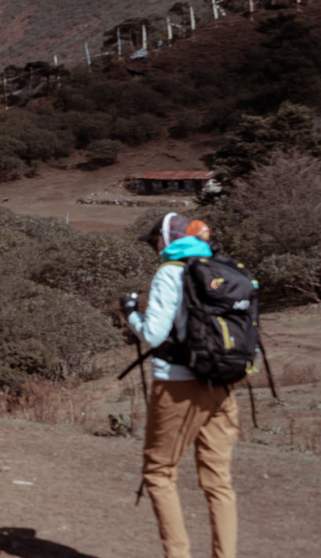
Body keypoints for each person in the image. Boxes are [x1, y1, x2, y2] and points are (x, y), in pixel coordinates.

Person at [124, 214, 238, 558]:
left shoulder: (170, 272)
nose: (154, 248)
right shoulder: (222, 267)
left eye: (155, 241)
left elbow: (153, 334)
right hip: (222, 383)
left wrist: (130, 313)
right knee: (218, 480)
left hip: (178, 385)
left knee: (159, 472)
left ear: (167, 240)